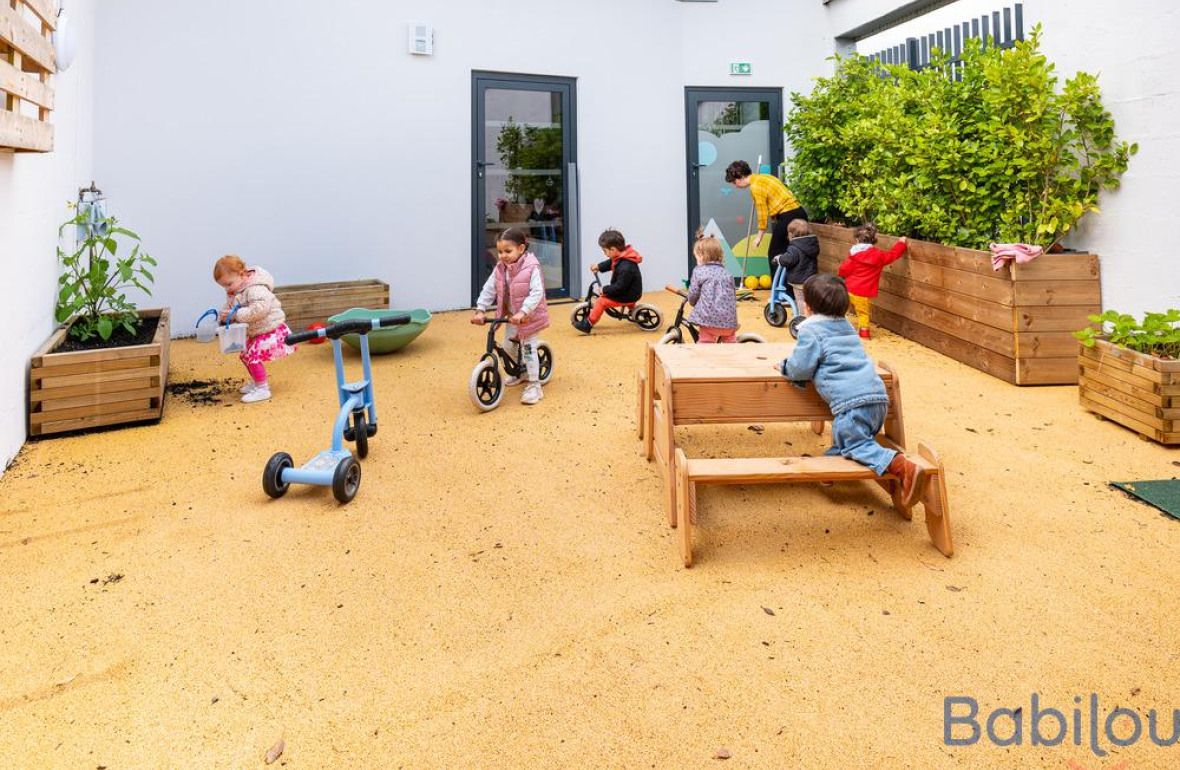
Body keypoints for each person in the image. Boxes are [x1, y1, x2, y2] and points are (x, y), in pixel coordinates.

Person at [777, 274, 925, 505]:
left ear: (807, 306)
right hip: (877, 398)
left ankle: (902, 467)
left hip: (851, 404)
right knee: (848, 439)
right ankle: (829, 466)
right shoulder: (846, 326)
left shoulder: (811, 331)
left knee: (856, 443)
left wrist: (785, 366)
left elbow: (801, 368)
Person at [471, 227, 550, 405]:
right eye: (499, 252)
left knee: (529, 350)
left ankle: (534, 385)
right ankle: (519, 373)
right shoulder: (500, 268)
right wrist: (481, 309)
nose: (503, 256)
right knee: (508, 347)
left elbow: (537, 292)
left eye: (508, 251)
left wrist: (524, 311)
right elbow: (490, 288)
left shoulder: (532, 267)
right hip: (512, 316)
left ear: (521, 249)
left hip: (528, 316)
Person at [214, 255, 295, 403]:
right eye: (223, 286)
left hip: (271, 328)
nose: (227, 289)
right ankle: (257, 382)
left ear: (242, 274)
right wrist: (224, 317)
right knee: (245, 356)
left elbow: (259, 310)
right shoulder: (237, 289)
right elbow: (231, 306)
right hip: (257, 330)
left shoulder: (255, 288)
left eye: (228, 284)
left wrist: (236, 315)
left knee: (252, 357)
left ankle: (262, 389)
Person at [724, 160, 808, 263]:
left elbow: (762, 213)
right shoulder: (765, 177)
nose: (735, 186)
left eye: (734, 182)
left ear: (740, 176)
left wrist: (759, 237)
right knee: (795, 251)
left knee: (775, 253)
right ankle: (793, 278)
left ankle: (777, 279)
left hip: (788, 216)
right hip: (799, 212)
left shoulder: (756, 186)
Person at [837, 223, 908, 339]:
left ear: (856, 239)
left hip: (849, 288)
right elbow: (892, 255)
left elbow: (844, 269)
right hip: (863, 293)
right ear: (874, 240)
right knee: (863, 314)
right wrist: (901, 243)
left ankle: (838, 329)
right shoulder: (879, 256)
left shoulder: (854, 254)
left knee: (842, 309)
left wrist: (841, 276)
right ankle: (864, 334)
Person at [572, 229, 644, 334]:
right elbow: (611, 263)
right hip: (629, 290)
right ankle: (633, 310)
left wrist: (604, 290)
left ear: (613, 249)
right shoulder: (622, 256)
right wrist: (599, 266)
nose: (604, 253)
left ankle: (588, 324)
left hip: (629, 294)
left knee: (602, 301)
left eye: (605, 251)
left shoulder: (626, 267)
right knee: (610, 292)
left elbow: (620, 287)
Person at [686, 235, 739, 343]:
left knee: (706, 344)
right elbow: (733, 296)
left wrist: (692, 302)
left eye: (696, 257)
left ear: (701, 256)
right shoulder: (727, 273)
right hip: (729, 322)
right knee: (731, 344)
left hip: (708, 321)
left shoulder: (699, 271)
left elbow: (693, 294)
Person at [771, 218, 820, 313]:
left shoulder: (794, 248)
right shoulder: (812, 245)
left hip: (799, 280)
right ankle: (813, 314)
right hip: (812, 278)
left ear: (791, 234)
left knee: (800, 299)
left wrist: (779, 259)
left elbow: (789, 259)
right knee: (810, 299)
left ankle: (803, 317)